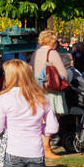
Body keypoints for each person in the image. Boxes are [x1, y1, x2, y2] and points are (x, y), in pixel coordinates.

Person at [32, 30, 68, 159]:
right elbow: (63, 74)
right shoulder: (52, 53)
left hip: (36, 90)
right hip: (51, 91)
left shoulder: (35, 53)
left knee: (40, 119)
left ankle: (40, 146)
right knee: (51, 118)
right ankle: (46, 147)